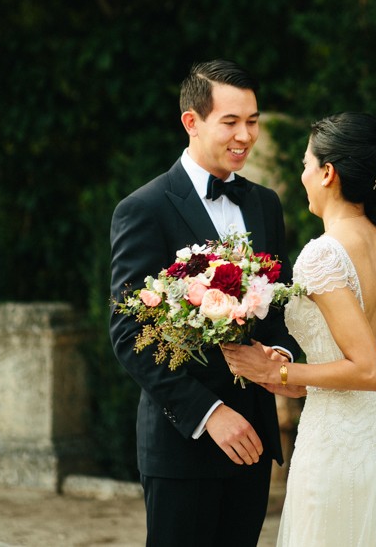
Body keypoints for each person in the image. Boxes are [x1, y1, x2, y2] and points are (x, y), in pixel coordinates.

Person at [109, 59, 299, 547]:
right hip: (182, 446)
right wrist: (210, 413)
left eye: (252, 121)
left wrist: (280, 359)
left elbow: (275, 311)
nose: (246, 135)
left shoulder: (265, 203)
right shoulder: (143, 209)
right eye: (231, 122)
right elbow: (131, 336)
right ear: (191, 122)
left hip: (254, 441)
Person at [224, 112, 376, 546]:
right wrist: (306, 379)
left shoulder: (323, 255)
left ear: (328, 173)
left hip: (338, 448)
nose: (303, 175)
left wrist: (274, 372)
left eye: (305, 164)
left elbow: (369, 372)